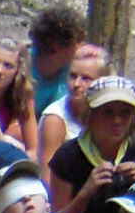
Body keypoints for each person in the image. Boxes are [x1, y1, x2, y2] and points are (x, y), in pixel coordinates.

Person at [50, 74, 135, 213]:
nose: (117, 121)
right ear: (90, 114)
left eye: (125, 113)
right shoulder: (68, 157)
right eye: (108, 112)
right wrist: (85, 193)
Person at [37, 41, 111, 172]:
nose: (76, 84)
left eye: (86, 78)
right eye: (73, 76)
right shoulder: (55, 120)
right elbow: (47, 177)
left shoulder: (110, 112)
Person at [27, 2, 85, 115]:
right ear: (56, 44)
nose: (83, 46)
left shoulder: (72, 72)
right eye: (78, 41)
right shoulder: (23, 64)